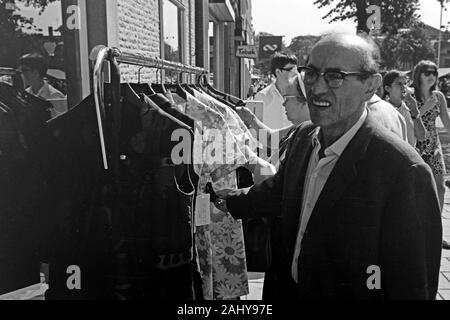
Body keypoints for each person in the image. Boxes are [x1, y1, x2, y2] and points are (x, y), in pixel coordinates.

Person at [214, 33, 442, 300]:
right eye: (311, 73)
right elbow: (279, 192)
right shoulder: (303, 137)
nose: (317, 88)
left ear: (370, 86)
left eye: (335, 76)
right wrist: (227, 200)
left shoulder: (404, 171)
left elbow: (413, 283)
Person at [412, 60, 450, 249]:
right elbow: (407, 120)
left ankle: (436, 232)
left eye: (434, 73)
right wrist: (425, 107)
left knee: (440, 188)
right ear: (418, 74)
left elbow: (447, 123)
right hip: (415, 145)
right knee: (417, 190)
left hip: (433, 145)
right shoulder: (410, 96)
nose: (431, 76)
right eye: (427, 72)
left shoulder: (439, 96)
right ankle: (417, 230)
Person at [254, 52, 298, 129]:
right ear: (278, 72)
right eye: (291, 70)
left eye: (296, 70)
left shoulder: (301, 96)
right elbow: (257, 128)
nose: (295, 73)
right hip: (270, 140)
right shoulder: (261, 97)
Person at [383, 70, 426, 147]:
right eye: (399, 84)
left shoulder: (408, 108)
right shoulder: (383, 109)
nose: (404, 87)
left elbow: (422, 137)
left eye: (405, 83)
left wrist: (415, 111)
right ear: (387, 88)